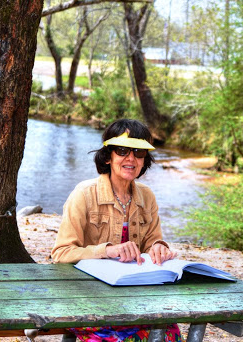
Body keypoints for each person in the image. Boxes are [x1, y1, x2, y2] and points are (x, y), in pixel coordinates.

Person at [51, 119, 182, 342]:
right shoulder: (84, 194)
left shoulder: (147, 196)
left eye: (138, 152)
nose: (130, 158)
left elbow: (153, 242)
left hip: (136, 299)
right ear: (108, 156)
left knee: (169, 333)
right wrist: (108, 250)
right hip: (88, 300)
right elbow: (61, 253)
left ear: (144, 160)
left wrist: (159, 248)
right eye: (122, 150)